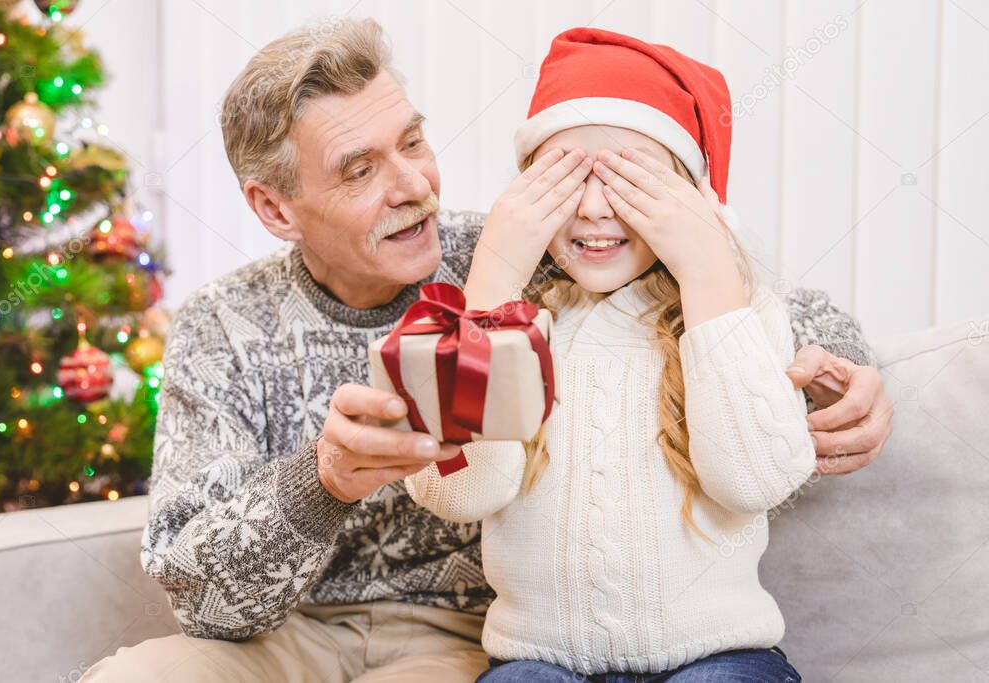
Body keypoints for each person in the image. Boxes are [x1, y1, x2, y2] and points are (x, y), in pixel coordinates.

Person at [83, 18, 891, 683]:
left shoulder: (510, 255)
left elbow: (721, 298)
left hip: (454, 638)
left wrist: (855, 373)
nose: (415, 187)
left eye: (413, 142)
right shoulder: (220, 327)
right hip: (280, 635)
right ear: (276, 207)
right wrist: (322, 479)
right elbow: (202, 597)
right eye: (361, 169)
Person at [407, 27, 811, 682]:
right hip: (540, 660)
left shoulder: (740, 312)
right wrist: (492, 283)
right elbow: (460, 489)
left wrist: (707, 267)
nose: (594, 208)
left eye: (628, 180)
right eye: (565, 179)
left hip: (719, 656)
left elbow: (756, 477)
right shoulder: (513, 323)